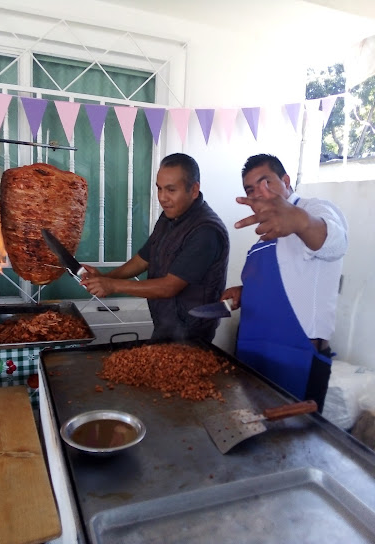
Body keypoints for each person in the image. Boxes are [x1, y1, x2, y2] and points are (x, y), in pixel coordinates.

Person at [222, 154, 348, 412]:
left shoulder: (315, 210)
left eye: (265, 182)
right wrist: (247, 292)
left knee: (292, 445)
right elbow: (287, 282)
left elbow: (335, 242)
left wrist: (300, 221)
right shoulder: (264, 235)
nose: (258, 193)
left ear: (287, 181)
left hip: (295, 358)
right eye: (250, 189)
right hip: (253, 353)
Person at [81, 153, 230, 342]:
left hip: (191, 332)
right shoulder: (170, 217)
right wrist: (104, 278)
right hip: (166, 323)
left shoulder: (206, 231)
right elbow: (143, 259)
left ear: (193, 190)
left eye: (171, 190)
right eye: (159, 189)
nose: (162, 198)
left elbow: (169, 287)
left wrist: (112, 285)